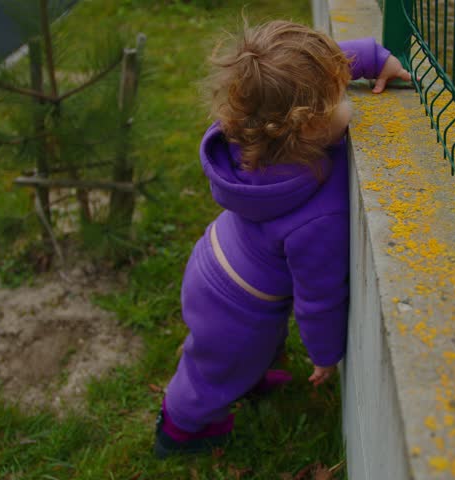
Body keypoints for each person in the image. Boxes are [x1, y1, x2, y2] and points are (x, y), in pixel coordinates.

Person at [154, 20, 411, 458]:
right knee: (214, 370)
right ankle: (181, 428)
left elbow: (311, 71)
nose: (348, 96)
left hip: (214, 260)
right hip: (238, 309)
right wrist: (325, 355)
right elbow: (319, 298)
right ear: (309, 125)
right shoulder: (321, 215)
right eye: (340, 97)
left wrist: (373, 57)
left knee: (242, 356)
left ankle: (251, 376)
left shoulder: (258, 124)